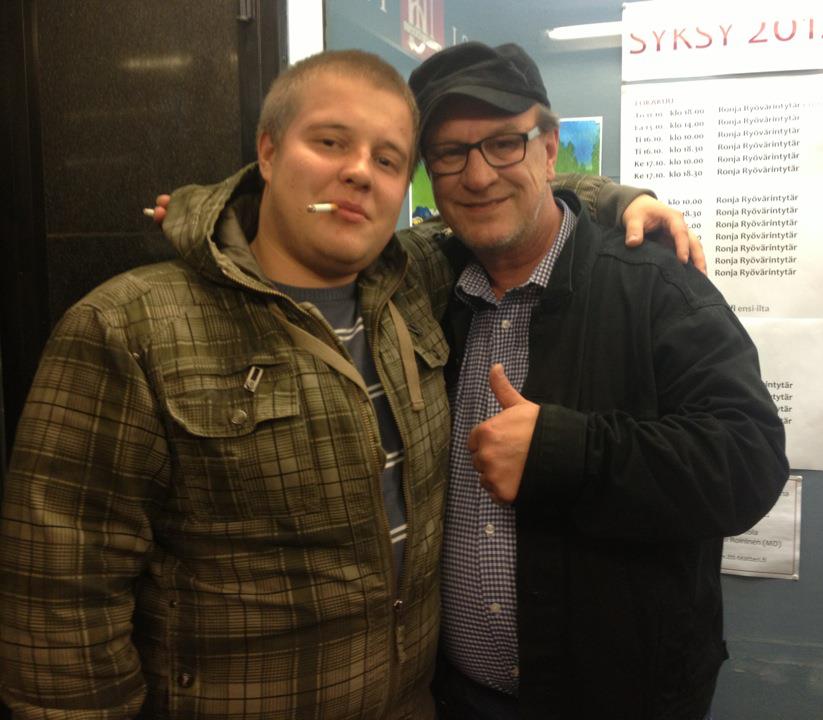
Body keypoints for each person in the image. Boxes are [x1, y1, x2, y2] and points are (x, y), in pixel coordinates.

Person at [0, 49, 696, 719]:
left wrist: (622, 198)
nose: (360, 173)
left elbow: (508, 195)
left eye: (388, 159)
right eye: (330, 142)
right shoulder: (129, 326)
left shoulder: (416, 283)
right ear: (267, 151)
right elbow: (58, 601)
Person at [408, 42, 790, 720]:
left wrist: (567, 453)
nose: (478, 174)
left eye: (504, 143)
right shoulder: (427, 297)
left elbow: (749, 460)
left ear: (549, 149)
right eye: (450, 153)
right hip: (455, 698)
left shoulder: (655, 285)